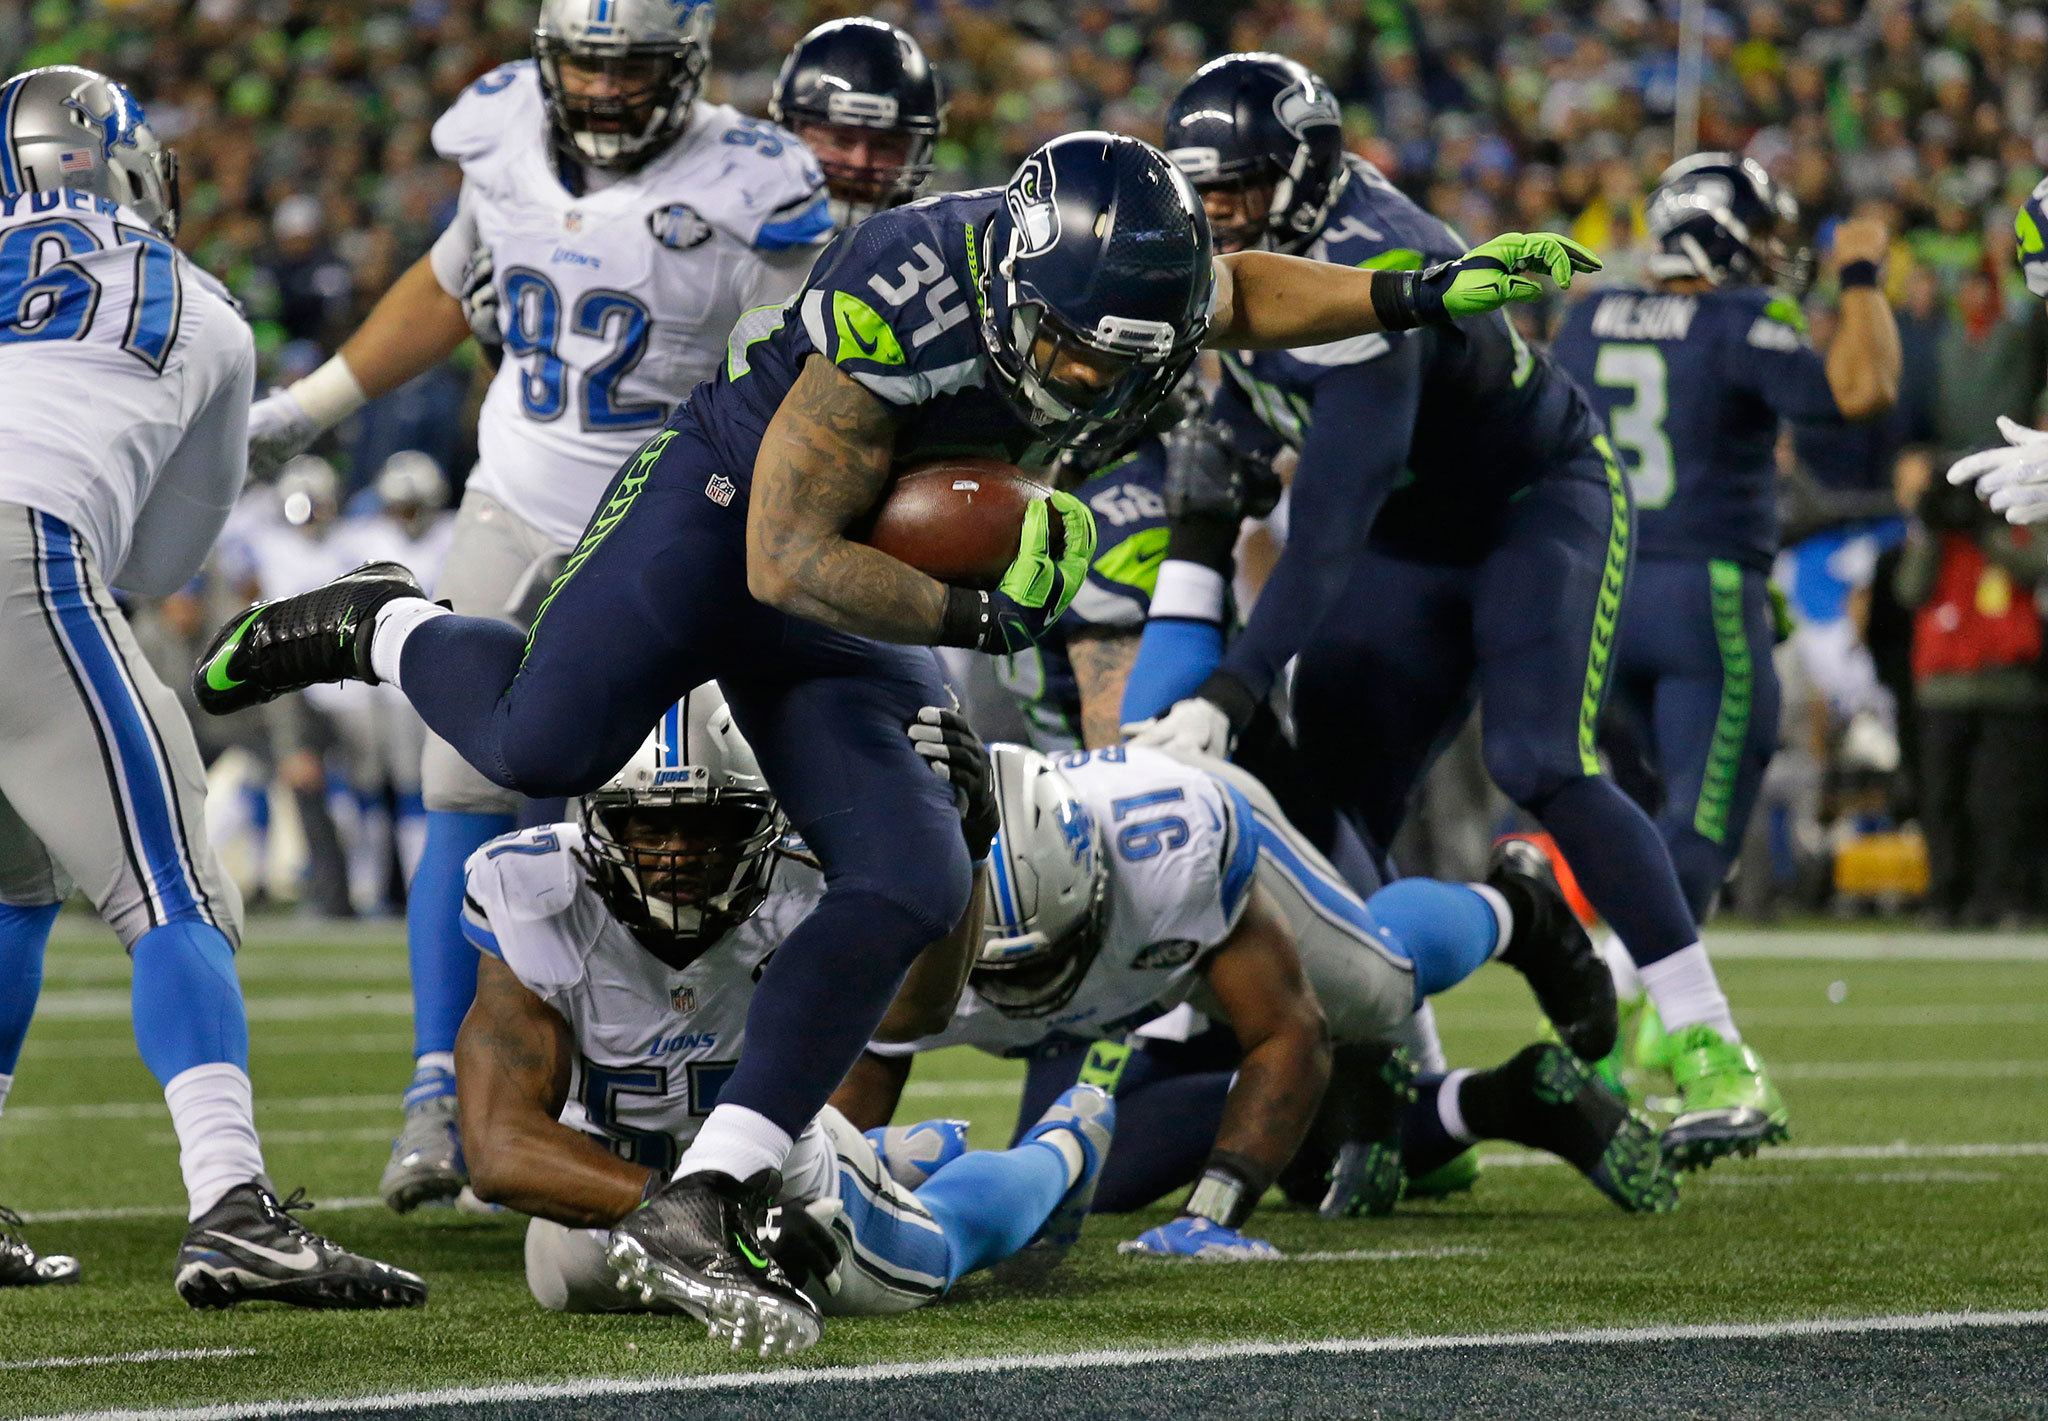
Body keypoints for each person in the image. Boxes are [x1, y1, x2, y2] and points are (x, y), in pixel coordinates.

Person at [193, 126, 1594, 1344]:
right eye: (1065, 343)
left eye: (1116, 353)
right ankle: (385, 621)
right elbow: (785, 562)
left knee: (917, 877)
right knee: (538, 744)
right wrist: (985, 621)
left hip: (856, 565)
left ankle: (710, 1189)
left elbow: (1243, 296)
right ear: (1014, 288)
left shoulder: (1129, 273)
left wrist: (1414, 288)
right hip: (727, 515)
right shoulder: (902, 301)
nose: (1080, 373)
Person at [227, 0, 835, 1213]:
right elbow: (453, 285)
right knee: (458, 781)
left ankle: (682, 1097)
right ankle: (436, 1094)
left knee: (682, 802)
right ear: (551, 63)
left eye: (634, 68)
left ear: (690, 68)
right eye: (586, 65)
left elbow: (813, 360)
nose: (606, 91)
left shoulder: (756, 181)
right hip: (514, 493)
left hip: (673, 516)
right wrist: (306, 410)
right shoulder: (500, 132)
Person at [1120, 53, 1774, 1169]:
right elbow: (1254, 405)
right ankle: (1405, 1081)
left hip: (1528, 506)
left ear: (1306, 175)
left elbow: (1326, 532)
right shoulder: (1231, 257)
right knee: (1327, 794)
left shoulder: (1373, 264)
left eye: (1238, 186)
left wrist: (1227, 691)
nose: (1216, 209)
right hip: (1408, 533)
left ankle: (1711, 1040)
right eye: (1203, 187)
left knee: (1538, 754)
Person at [0, 65, 422, 1306]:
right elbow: (161, 562)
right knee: (172, 884)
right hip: (23, 548)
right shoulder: (204, 308)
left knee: (16, 887)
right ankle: (233, 1205)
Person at [836, 738, 1670, 1259]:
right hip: (1107, 949)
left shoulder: (1168, 852)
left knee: (1374, 992)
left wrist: (1214, 1211)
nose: (1031, 984)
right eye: (1009, 971)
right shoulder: (914, 932)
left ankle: (1516, 906)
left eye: (1045, 957)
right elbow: (849, 1103)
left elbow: (1289, 1030)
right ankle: (1404, 1101)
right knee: (1095, 1178)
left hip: (1198, 855)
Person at [456, 689, 1112, 1343]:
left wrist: (968, 844)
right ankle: (886, 1153)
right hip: (614, 1203)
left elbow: (914, 1012)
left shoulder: (806, 875)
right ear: (603, 821)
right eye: (651, 825)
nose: (677, 855)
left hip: (786, 1179)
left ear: (760, 822)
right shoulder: (538, 892)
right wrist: (699, 1214)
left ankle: (1065, 1146)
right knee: (563, 1273)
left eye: (710, 827)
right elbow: (498, 1145)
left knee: (941, 1248)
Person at [1549, 155, 1899, 1064]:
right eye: (1768, 233)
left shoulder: (1585, 316)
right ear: (1725, 231)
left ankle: (1640, 1000)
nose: (1778, 252)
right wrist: (1861, 276)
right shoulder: (1740, 319)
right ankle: (1624, 998)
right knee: (1703, 819)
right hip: (1701, 594)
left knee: (1640, 812)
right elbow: (1863, 392)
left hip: (1595, 597)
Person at [769, 17, 944, 230]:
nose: (860, 164)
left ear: (918, 152)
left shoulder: (946, 247)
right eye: (839, 141)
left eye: (885, 146)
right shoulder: (733, 232)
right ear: (789, 134)